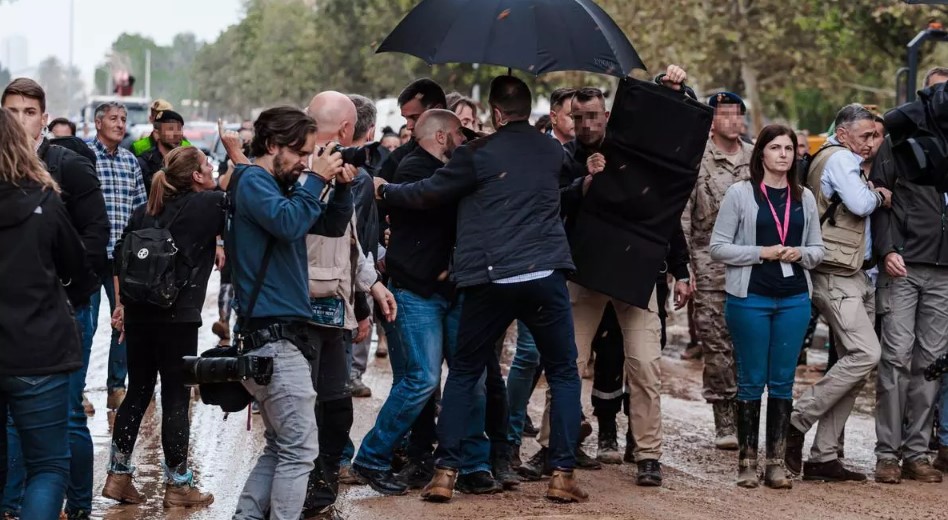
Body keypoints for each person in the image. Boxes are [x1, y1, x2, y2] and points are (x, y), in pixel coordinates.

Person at [375, 75, 588, 504]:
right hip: (545, 274)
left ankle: (446, 473)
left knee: (466, 371)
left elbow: (428, 193)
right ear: (530, 109)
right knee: (564, 372)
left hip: (492, 278)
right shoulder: (549, 148)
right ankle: (563, 475)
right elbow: (556, 171)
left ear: (493, 110)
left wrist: (386, 189)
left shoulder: (476, 153)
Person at [227, 107, 349, 520]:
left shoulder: (275, 185)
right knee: (300, 450)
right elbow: (289, 223)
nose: (304, 162)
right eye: (300, 153)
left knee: (283, 446)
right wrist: (315, 179)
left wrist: (339, 186)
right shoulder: (253, 182)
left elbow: (326, 227)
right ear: (273, 145)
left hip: (276, 339)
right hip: (272, 341)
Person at [354, 109, 482, 496]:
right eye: (459, 135)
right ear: (442, 136)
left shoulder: (443, 168)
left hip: (448, 290)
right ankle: (372, 457)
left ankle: (472, 463)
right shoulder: (413, 168)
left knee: (466, 377)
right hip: (415, 292)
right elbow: (431, 198)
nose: (463, 142)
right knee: (421, 380)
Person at [2, 78, 109, 520]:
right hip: (35, 331)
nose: (21, 120)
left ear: (44, 118)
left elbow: (93, 240)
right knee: (32, 444)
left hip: (57, 316)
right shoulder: (39, 193)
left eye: (29, 111)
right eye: (12, 112)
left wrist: (63, 292)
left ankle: (79, 506)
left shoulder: (66, 165)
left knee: (65, 420)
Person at [103, 147, 224, 508]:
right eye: (207, 164)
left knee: (138, 391)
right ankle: (179, 486)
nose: (212, 169)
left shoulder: (144, 211)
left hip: (140, 315)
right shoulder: (208, 205)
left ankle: (118, 475)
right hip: (178, 317)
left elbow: (119, 258)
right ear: (196, 177)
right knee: (175, 396)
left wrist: (122, 305)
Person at [710, 124, 824, 489]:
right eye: (775, 147)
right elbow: (718, 247)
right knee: (751, 380)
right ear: (761, 153)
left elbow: (818, 251)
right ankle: (746, 461)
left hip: (793, 299)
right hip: (751, 298)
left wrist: (800, 253)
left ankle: (775, 462)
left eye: (789, 148)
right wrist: (761, 252)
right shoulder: (740, 194)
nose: (783, 154)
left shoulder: (804, 196)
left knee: (782, 382)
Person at [784, 104, 889, 482]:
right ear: (843, 133)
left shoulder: (835, 158)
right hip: (836, 274)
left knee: (853, 366)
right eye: (865, 136)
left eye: (876, 137)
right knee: (866, 353)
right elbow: (861, 204)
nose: (871, 145)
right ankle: (796, 421)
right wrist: (879, 195)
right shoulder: (841, 159)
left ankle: (823, 456)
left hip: (854, 272)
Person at [871, 67, 948, 485]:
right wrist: (886, 250)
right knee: (895, 360)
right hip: (903, 267)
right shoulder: (899, 136)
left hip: (944, 273)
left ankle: (918, 453)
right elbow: (880, 199)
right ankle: (887, 453)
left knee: (931, 365)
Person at [681, 92, 754, 450]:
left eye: (736, 113)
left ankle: (748, 414)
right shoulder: (698, 159)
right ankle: (724, 417)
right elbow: (683, 215)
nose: (731, 120)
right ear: (711, 120)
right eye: (723, 114)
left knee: (748, 344)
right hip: (709, 265)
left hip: (754, 265)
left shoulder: (757, 158)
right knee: (717, 344)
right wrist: (683, 268)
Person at [87, 101, 147, 411]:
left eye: (123, 119)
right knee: (85, 323)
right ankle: (78, 390)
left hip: (122, 258)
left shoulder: (130, 162)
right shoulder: (83, 157)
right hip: (90, 256)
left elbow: (142, 208)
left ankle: (116, 387)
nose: (120, 124)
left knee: (123, 322)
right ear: (98, 123)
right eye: (113, 118)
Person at [137, 109, 185, 193]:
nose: (177, 134)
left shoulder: (187, 161)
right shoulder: (144, 163)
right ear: (156, 134)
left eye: (179, 129)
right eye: (171, 129)